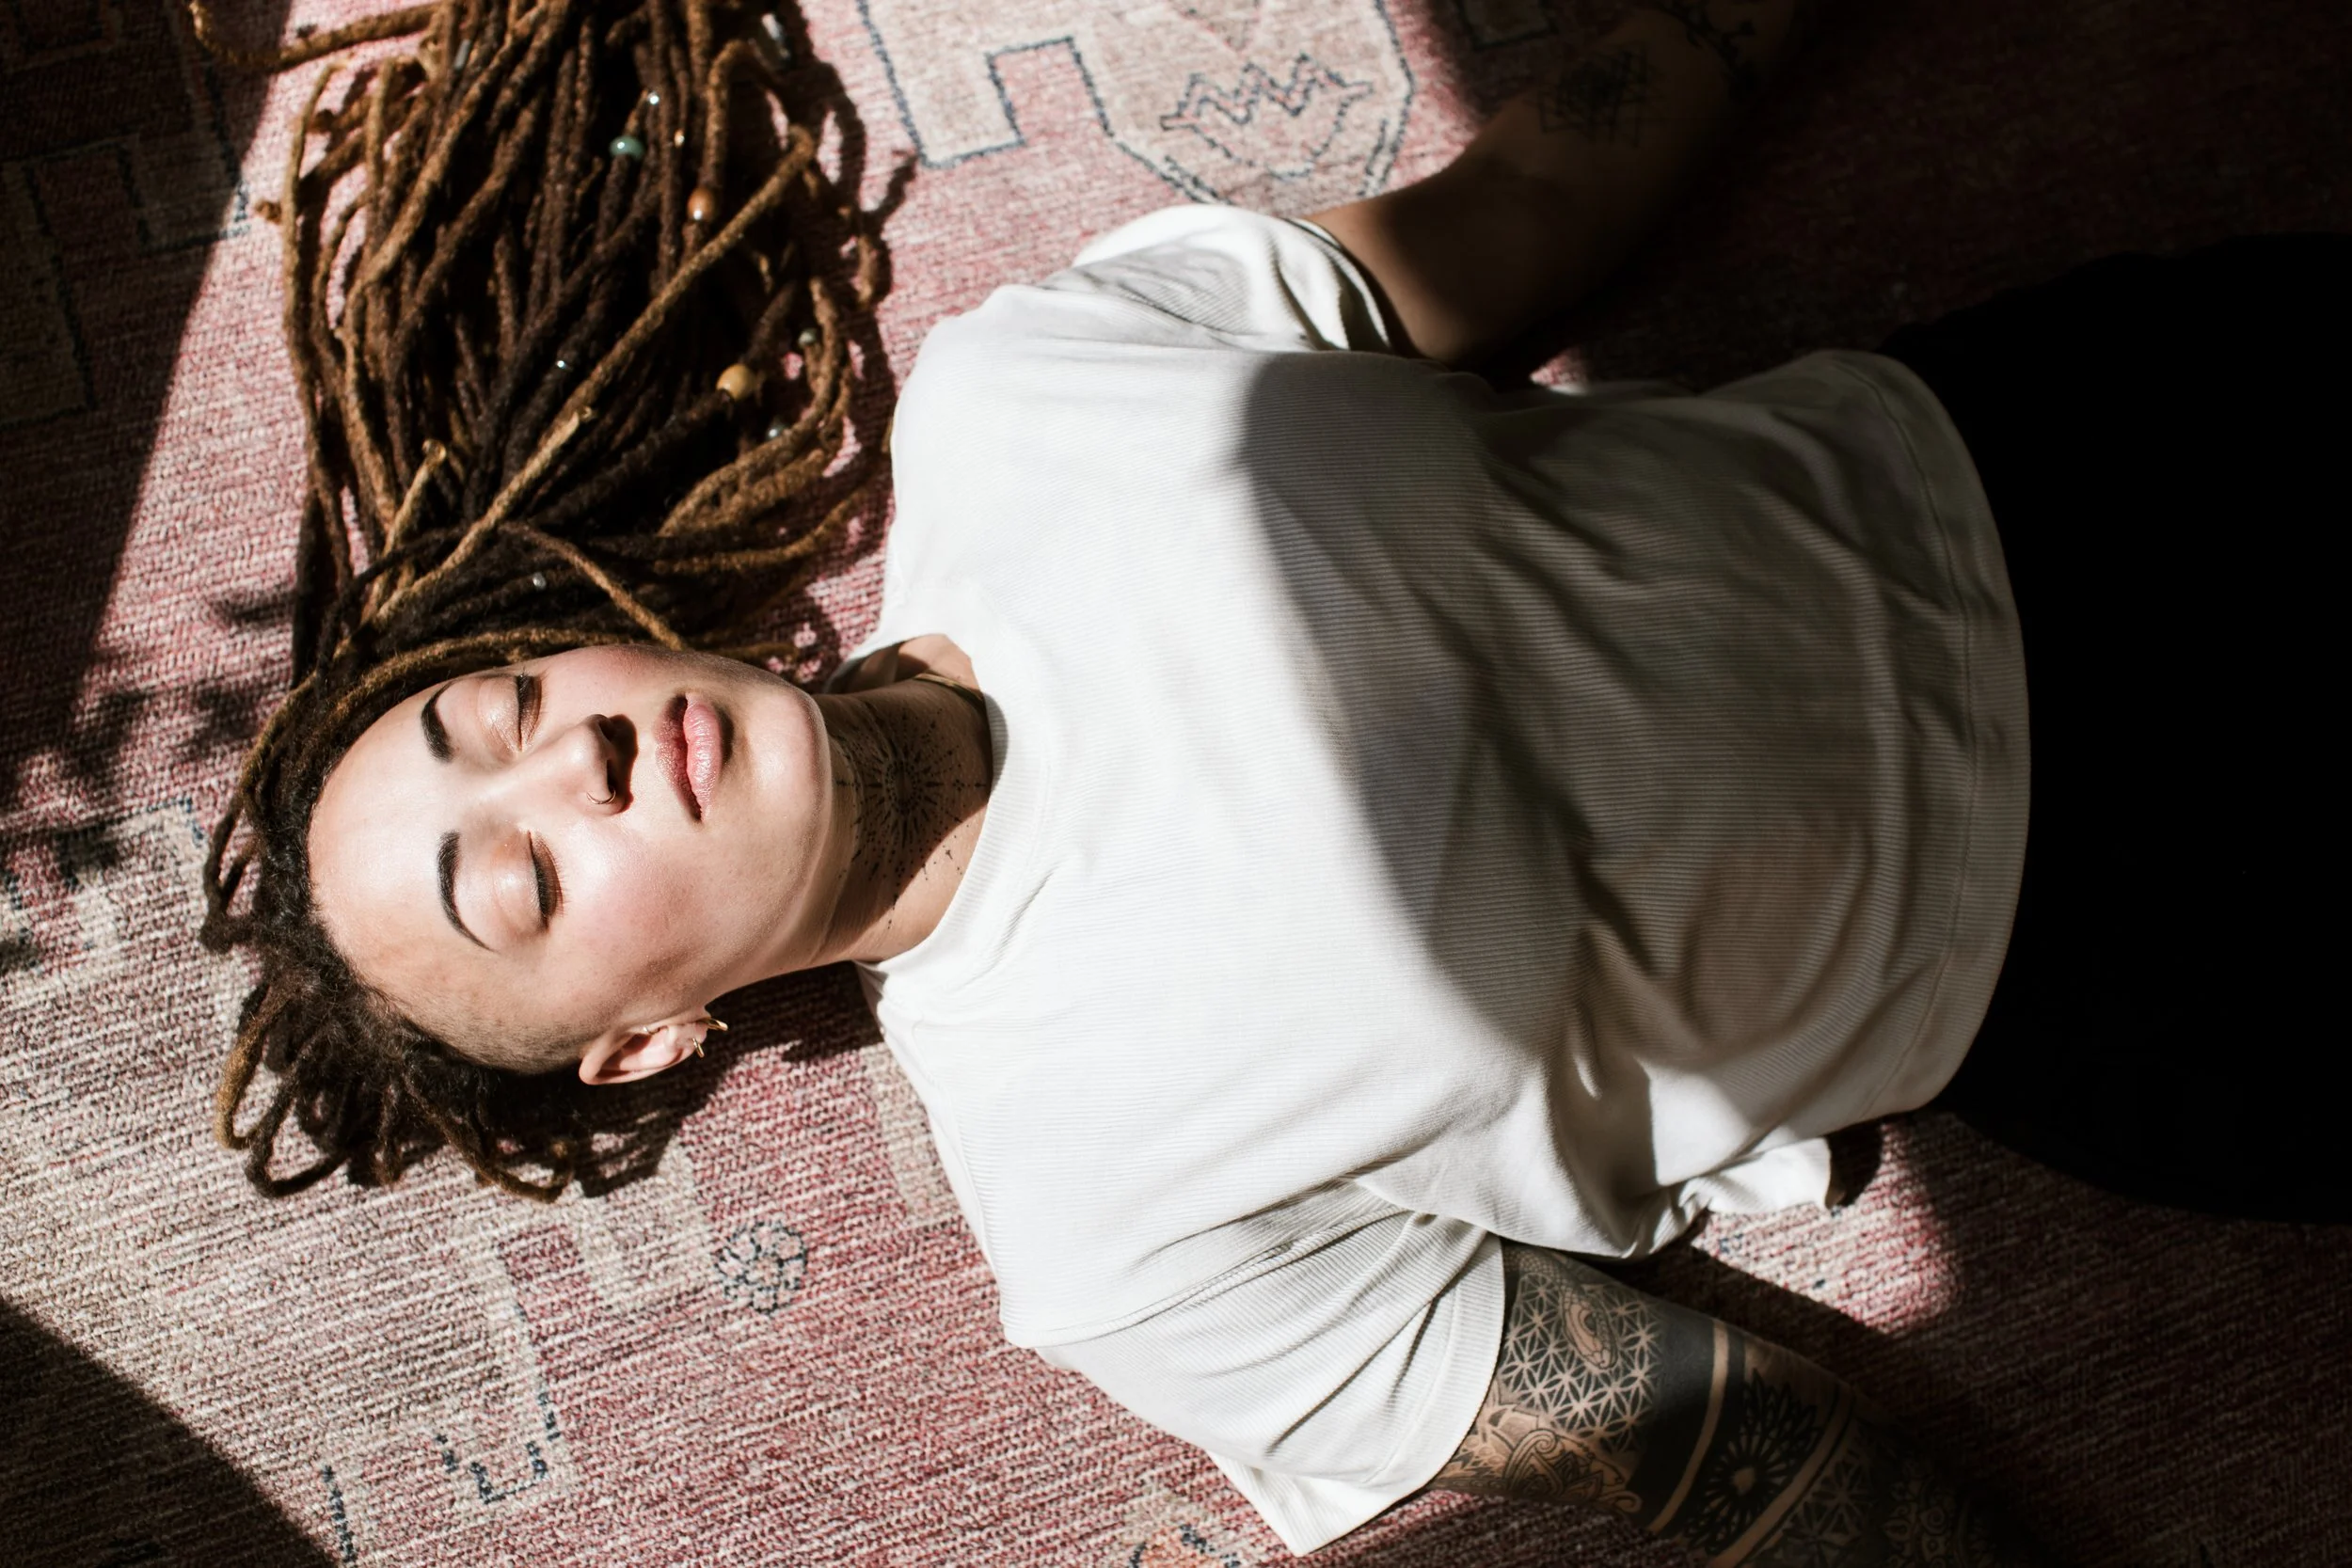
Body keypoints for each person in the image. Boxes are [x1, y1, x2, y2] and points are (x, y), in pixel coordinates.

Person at [200, 0, 2347, 1561]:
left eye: (494, 711)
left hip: (2068, 445)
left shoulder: (1017, 387)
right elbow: (1738, 1456)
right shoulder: (1102, 1229)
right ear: (640, 1040)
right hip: (2127, 951)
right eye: (521, 885)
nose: (569, 765)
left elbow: (1514, 209)